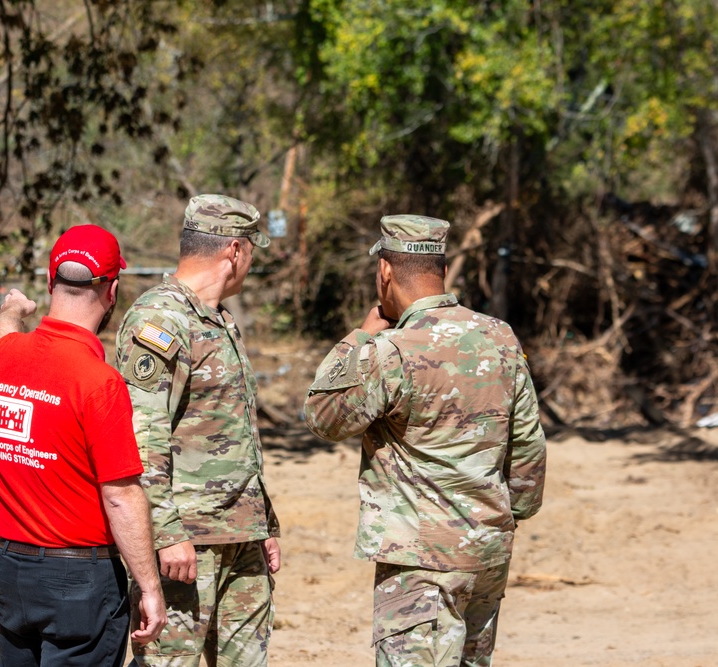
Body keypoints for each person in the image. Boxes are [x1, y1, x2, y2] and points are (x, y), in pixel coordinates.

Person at [304, 215, 547, 667]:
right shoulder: (501, 337)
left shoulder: (391, 349)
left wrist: (357, 337)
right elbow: (528, 445)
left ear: (385, 272)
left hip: (421, 563)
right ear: (440, 267)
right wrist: (502, 517)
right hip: (488, 552)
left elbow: (322, 417)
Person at [0, 224, 166, 667]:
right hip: (78, 581)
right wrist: (150, 586)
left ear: (50, 282)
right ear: (113, 290)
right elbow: (121, 497)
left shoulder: (4, 356)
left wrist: (13, 308)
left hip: (10, 569)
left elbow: (4, 328)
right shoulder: (98, 381)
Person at [115, 194, 281, 667]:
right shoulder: (159, 319)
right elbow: (143, 439)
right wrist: (166, 534)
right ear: (234, 251)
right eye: (252, 251)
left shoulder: (221, 320)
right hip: (188, 548)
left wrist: (263, 523)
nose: (251, 262)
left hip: (241, 540)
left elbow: (235, 433)